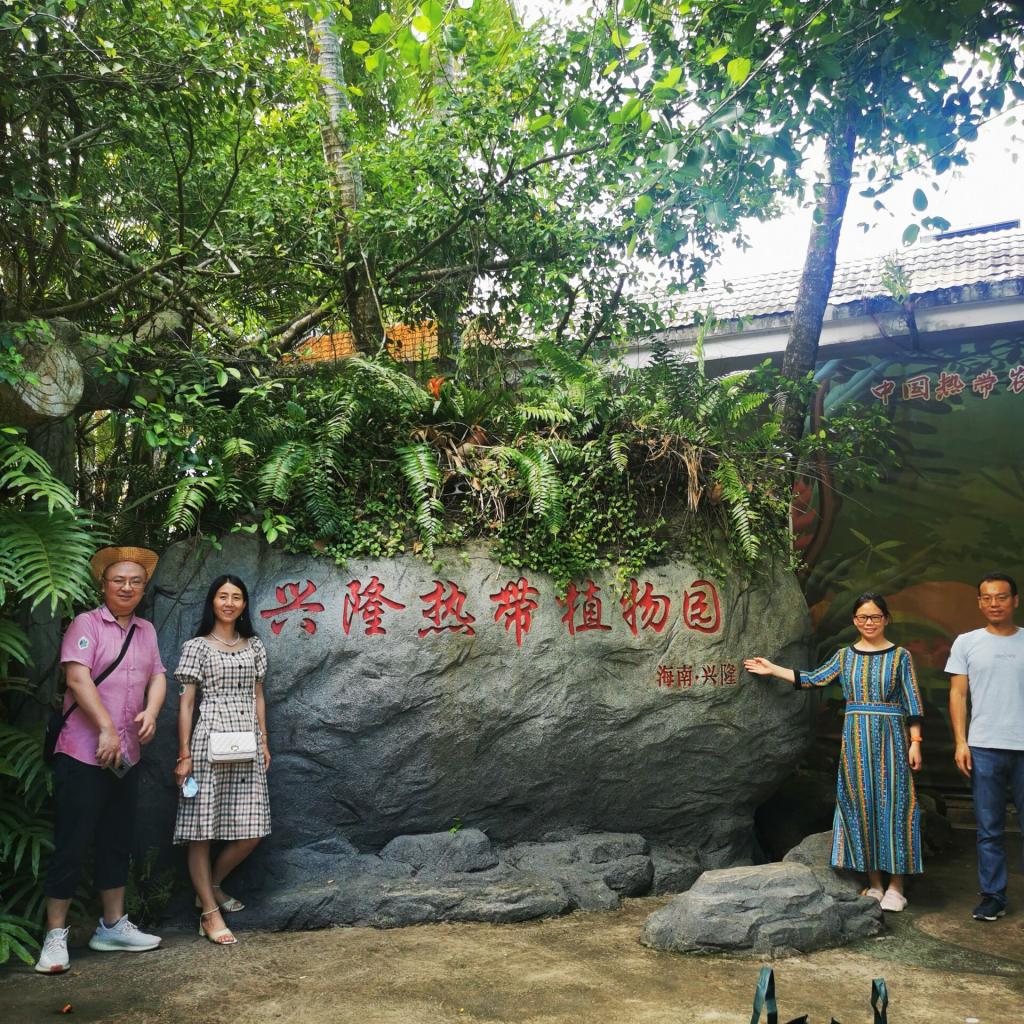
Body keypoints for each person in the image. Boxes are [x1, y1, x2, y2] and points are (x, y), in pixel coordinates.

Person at [744, 592, 924, 911]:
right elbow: (813, 679)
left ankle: (897, 886)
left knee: (895, 806)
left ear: (886, 619)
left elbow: (912, 701)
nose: (869, 622)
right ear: (854, 620)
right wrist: (773, 669)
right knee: (861, 805)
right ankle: (875, 884)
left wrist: (916, 742)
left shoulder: (900, 657)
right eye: (862, 617)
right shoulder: (845, 656)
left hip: (892, 740)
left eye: (875, 617)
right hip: (856, 742)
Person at [35, 546, 167, 975]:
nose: (127, 587)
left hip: (125, 757)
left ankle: (111, 926)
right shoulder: (86, 624)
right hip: (82, 752)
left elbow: (158, 675)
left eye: (135, 581)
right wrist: (107, 727)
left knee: (116, 840)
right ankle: (55, 935)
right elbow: (77, 677)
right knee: (72, 842)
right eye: (119, 580)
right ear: (104, 585)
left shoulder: (146, 630)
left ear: (143, 588)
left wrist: (152, 711)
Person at [173, 574, 271, 945]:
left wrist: (264, 741)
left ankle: (210, 888)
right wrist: (184, 753)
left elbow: (258, 695)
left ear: (244, 604)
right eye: (222, 596)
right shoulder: (196, 647)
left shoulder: (254, 646)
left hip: (247, 739)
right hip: (207, 739)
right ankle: (210, 914)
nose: (229, 603)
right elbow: (186, 703)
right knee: (201, 830)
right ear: (212, 602)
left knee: (253, 829)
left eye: (236, 597)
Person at [946, 572, 1024, 922]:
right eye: (987, 598)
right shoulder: (967, 642)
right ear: (979, 602)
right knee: (989, 828)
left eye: (1001, 597)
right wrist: (960, 742)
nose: (994, 603)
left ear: (1015, 601)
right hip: (984, 747)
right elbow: (958, 694)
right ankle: (993, 897)